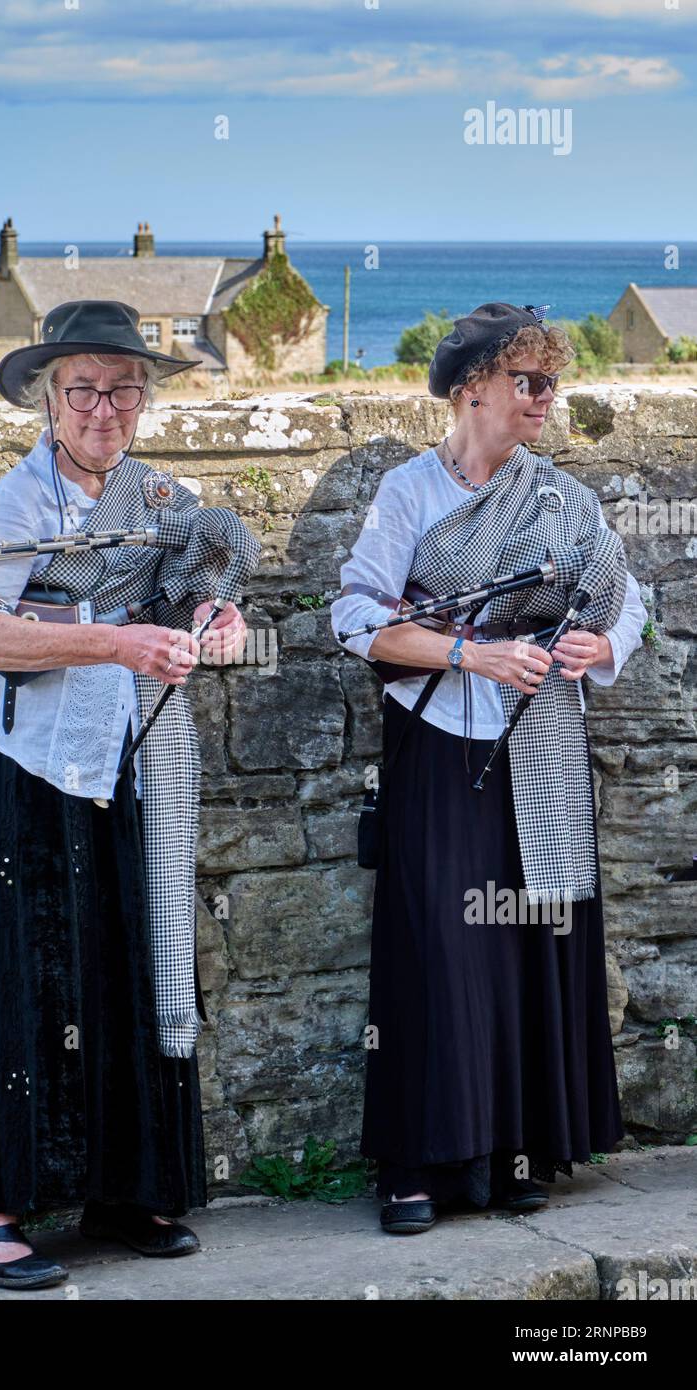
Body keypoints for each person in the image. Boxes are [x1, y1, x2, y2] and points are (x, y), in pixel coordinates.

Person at [0, 300, 255, 1288]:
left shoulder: (159, 496)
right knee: (25, 982)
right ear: (49, 398)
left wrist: (216, 614)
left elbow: (184, 588)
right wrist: (114, 640)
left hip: (128, 763)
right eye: (83, 388)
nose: (103, 408)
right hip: (34, 773)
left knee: (127, 967)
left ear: (144, 398)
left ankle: (127, 1189)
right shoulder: (19, 507)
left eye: (123, 388)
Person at [331, 303, 647, 1236]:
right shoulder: (409, 494)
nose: (547, 399)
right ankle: (416, 1168)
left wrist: (600, 645)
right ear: (473, 390)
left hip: (541, 743)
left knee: (524, 949)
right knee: (438, 953)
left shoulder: (561, 496)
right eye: (529, 382)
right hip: (440, 741)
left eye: (553, 382)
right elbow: (354, 620)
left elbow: (630, 599)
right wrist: (470, 656)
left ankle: (514, 1153)